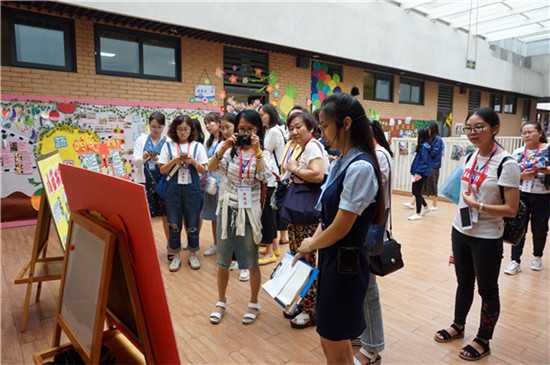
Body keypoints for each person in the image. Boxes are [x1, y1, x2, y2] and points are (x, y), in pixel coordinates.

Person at [293, 93, 385, 364]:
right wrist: (311, 244)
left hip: (347, 264)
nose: (322, 134)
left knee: (333, 336)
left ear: (346, 123)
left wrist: (311, 243)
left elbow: (341, 226)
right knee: (333, 337)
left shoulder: (360, 167)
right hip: (334, 259)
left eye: (325, 125)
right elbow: (328, 220)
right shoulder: (342, 161)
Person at [434, 107, 520, 361]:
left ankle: (484, 339)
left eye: (479, 127)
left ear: (495, 128)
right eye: (468, 128)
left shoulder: (507, 163)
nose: (472, 132)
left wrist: (478, 206)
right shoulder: (471, 156)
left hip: (487, 236)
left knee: (488, 290)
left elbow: (512, 209)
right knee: (463, 282)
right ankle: (458, 325)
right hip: (460, 229)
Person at [207, 109, 270, 325]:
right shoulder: (229, 151)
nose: (244, 133)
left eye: (250, 129)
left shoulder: (262, 152)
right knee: (223, 260)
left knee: (251, 261)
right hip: (228, 208)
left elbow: (264, 176)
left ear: (257, 130)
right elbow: (211, 167)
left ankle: (254, 303)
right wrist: (224, 146)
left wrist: (258, 150)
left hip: (250, 210)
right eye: (241, 129)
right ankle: (220, 301)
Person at [283, 110, 329, 329]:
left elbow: (318, 174)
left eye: (298, 126)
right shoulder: (307, 146)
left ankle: (311, 310)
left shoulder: (311, 146)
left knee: (306, 258)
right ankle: (304, 302)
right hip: (301, 213)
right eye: (291, 128)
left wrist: (295, 168)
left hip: (306, 214)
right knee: (299, 256)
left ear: (311, 127)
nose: (294, 131)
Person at [354, 119, 393, 365]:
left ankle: (372, 347)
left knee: (369, 288)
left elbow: (370, 192)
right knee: (361, 285)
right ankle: (363, 333)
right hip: (362, 228)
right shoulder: (367, 154)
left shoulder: (378, 155)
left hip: (370, 229)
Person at [159, 115, 208, 272]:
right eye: (179, 129)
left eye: (186, 129)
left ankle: (193, 253)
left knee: (193, 223)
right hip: (173, 190)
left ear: (191, 130)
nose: (183, 132)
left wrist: (193, 161)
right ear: (174, 130)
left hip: (193, 189)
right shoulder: (168, 146)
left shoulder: (197, 146)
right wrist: (175, 160)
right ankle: (176, 255)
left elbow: (203, 170)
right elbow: (162, 170)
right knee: (173, 223)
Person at [504, 121, 549, 274]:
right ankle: (515, 261)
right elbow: (509, 175)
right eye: (524, 132)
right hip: (521, 193)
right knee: (517, 227)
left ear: (540, 133)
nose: (527, 135)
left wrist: (545, 170)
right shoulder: (517, 152)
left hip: (543, 196)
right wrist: (522, 175)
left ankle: (537, 256)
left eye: (531, 132)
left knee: (540, 228)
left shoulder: (548, 150)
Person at [216, 113, 250, 281]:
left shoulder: (252, 146)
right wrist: (225, 148)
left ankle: (245, 266)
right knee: (229, 228)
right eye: (221, 128)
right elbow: (213, 167)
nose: (224, 131)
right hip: (228, 190)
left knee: (243, 230)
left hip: (246, 195)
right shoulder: (224, 146)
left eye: (227, 127)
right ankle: (232, 260)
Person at [132, 112, 169, 249]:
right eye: (153, 126)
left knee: (165, 215)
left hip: (162, 184)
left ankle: (169, 245)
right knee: (145, 217)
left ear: (163, 127)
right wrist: (143, 157)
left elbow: (170, 162)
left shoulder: (167, 141)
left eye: (159, 127)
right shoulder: (142, 140)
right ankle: (144, 247)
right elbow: (136, 162)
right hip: (144, 183)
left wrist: (157, 159)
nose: (155, 130)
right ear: (149, 125)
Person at [258, 103, 286, 265]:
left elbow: (265, 152)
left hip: (271, 178)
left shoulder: (274, 131)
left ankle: (270, 251)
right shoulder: (270, 130)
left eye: (263, 114)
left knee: (268, 215)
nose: (261, 117)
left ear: (271, 115)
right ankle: (274, 246)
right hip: (271, 177)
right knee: (270, 214)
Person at [202, 112, 224, 257]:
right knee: (213, 214)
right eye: (206, 123)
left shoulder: (226, 141)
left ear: (218, 123)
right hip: (211, 181)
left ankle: (224, 247)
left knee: (223, 214)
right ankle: (216, 244)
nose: (208, 126)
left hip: (223, 179)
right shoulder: (207, 142)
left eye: (210, 122)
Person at [407, 127, 431, 220]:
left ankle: (418, 214)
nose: (417, 135)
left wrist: (418, 173)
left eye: (418, 133)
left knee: (417, 192)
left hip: (420, 173)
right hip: (419, 172)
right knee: (415, 191)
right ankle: (426, 207)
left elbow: (424, 162)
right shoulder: (423, 146)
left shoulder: (425, 147)